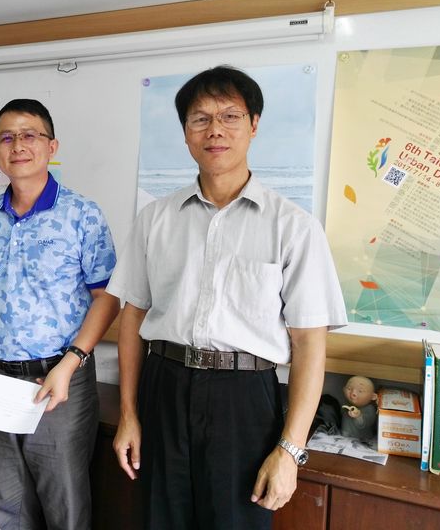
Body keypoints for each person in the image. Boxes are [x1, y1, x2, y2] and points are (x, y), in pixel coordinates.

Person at [108, 66, 348, 529]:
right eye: (200, 119)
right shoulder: (155, 219)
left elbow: (309, 343)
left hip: (245, 400)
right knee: (160, 520)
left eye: (230, 116)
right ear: (185, 133)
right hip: (164, 387)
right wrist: (129, 415)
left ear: (253, 125)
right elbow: (133, 317)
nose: (214, 130)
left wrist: (290, 451)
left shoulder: (293, 227)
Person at [0, 99, 119, 529]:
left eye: (29, 135)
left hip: (59, 378)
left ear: (52, 146)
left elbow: (108, 298)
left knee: (63, 503)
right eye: (7, 138)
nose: (18, 145)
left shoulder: (81, 214)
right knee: (5, 503)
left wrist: (71, 363)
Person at [340, 375, 378, 441]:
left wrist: (358, 416)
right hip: (345, 436)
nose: (353, 393)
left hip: (361, 438)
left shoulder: (370, 409)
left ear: (373, 396)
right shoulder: (346, 404)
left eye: (360, 391)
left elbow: (366, 423)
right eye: (349, 389)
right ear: (344, 390)